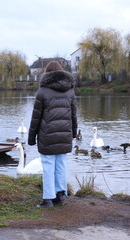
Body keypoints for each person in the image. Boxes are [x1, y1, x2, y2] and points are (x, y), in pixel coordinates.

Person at [28, 61, 77, 208]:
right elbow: (73, 115)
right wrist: (73, 133)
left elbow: (36, 117)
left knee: (48, 166)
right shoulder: (70, 90)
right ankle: (60, 196)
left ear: (47, 74)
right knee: (61, 165)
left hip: (47, 136)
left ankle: (47, 199)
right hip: (64, 135)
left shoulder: (42, 91)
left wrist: (31, 138)